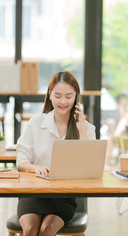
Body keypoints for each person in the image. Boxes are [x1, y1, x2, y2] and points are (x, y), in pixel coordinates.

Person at [16, 71, 96, 236]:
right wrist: (33, 167)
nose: (63, 101)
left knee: (47, 229)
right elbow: (21, 159)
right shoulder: (35, 123)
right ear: (50, 95)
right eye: (58, 95)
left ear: (76, 97)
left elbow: (89, 168)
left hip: (63, 197)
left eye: (68, 96)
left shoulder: (86, 128)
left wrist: (82, 131)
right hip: (33, 194)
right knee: (30, 229)